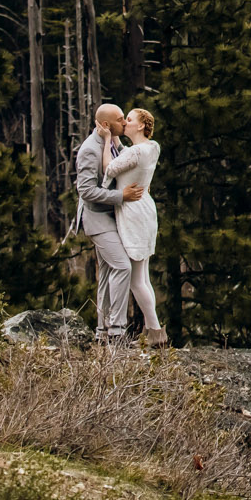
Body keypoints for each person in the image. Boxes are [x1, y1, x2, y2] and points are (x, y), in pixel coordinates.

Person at [73, 102, 143, 345]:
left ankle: (102, 331)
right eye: (120, 119)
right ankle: (117, 330)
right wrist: (120, 197)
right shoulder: (89, 150)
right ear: (105, 125)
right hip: (97, 219)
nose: (125, 123)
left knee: (105, 274)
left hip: (110, 217)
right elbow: (86, 191)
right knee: (122, 267)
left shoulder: (112, 142)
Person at [103, 107, 165, 347]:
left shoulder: (137, 152)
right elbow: (128, 156)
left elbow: (110, 168)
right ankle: (154, 331)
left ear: (140, 126)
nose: (125, 122)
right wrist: (117, 137)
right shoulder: (152, 147)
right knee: (143, 276)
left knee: (136, 279)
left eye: (129, 120)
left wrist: (108, 139)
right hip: (145, 209)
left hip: (133, 211)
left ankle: (156, 333)